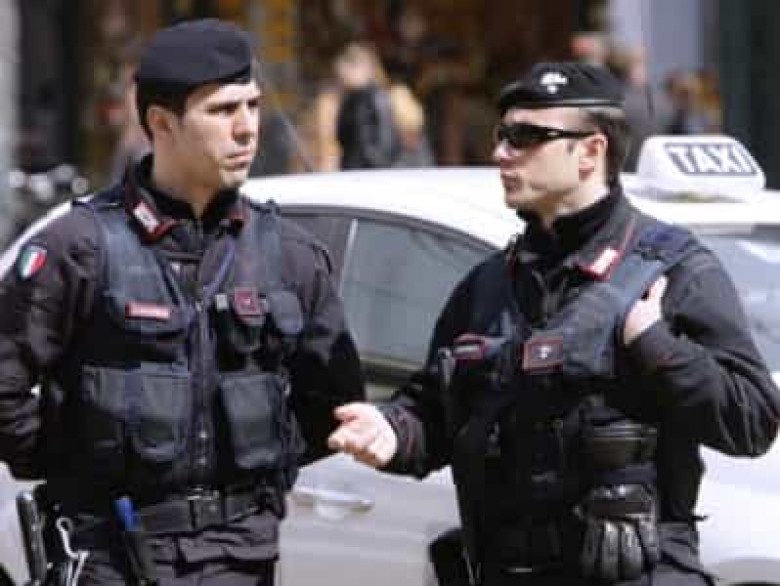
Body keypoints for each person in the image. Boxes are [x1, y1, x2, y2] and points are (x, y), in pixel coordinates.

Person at [327, 61, 780, 586]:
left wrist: (656, 345)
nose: (501, 153)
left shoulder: (672, 271)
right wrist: (393, 430)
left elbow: (753, 421)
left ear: (591, 151)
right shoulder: (488, 284)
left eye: (526, 137)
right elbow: (437, 412)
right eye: (501, 135)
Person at [0, 18, 364, 586]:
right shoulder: (80, 247)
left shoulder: (287, 254)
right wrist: (71, 467)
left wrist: (258, 459)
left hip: (239, 558)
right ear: (161, 122)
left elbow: (335, 401)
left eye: (253, 106)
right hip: (110, 556)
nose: (246, 129)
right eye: (222, 110)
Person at [334, 41, 402, 170]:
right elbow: (341, 136)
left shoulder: (376, 97)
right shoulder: (350, 99)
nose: (344, 75)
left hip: (371, 170)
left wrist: (376, 164)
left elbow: (386, 139)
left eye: (350, 68)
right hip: (353, 167)